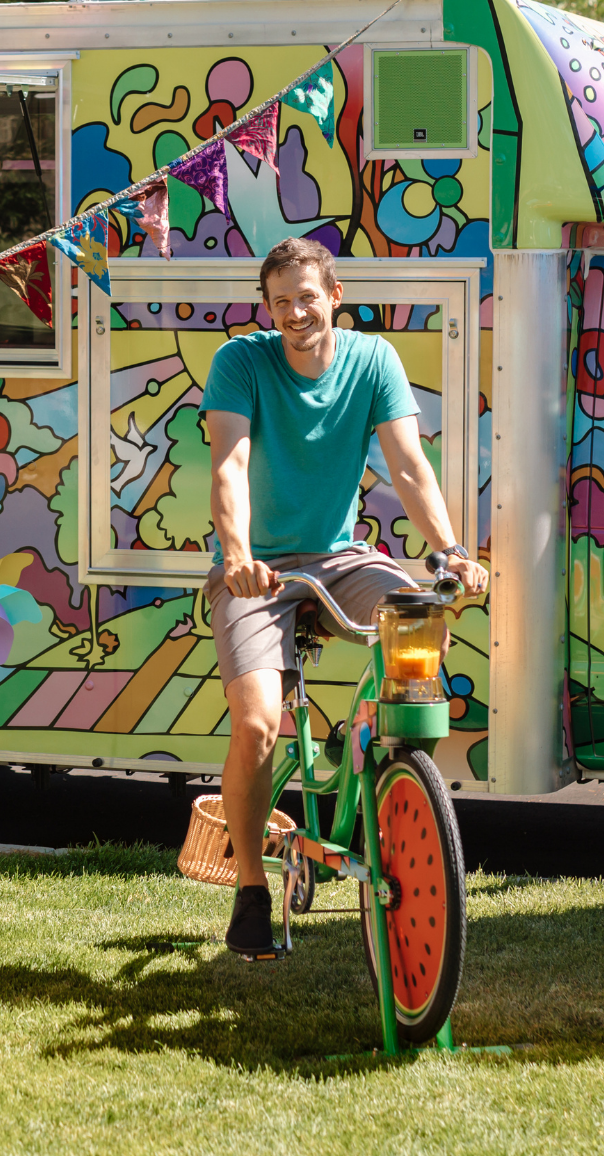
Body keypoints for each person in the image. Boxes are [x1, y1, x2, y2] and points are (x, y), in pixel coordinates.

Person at [202, 237, 487, 954]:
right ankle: (250, 891)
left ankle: (378, 762)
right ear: (266, 309)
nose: (294, 313)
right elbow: (230, 464)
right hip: (257, 570)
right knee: (259, 725)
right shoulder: (242, 362)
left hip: (338, 558)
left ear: (334, 295)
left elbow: (410, 467)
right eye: (280, 302)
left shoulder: (373, 360)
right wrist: (235, 555)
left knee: (417, 618)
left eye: (306, 296)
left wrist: (450, 550)